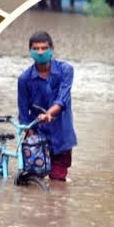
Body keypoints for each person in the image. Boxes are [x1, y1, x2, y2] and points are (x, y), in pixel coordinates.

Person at [17, 31, 77, 181]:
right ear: (30, 51)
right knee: (33, 181)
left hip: (61, 135)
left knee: (58, 180)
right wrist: (33, 141)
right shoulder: (24, 79)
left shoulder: (65, 70)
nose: (40, 52)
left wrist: (48, 114)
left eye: (44, 48)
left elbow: (62, 100)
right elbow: (24, 115)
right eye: (36, 49)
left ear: (52, 49)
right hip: (37, 136)